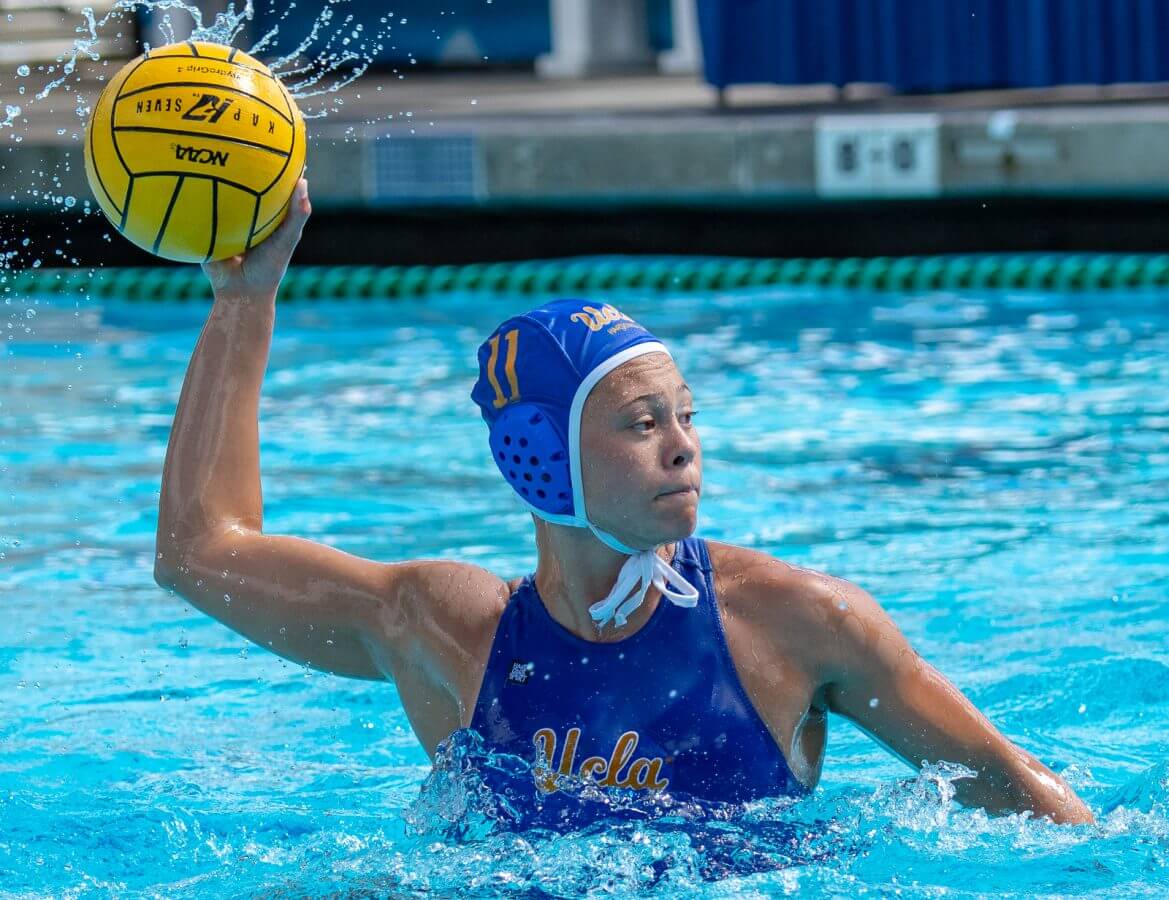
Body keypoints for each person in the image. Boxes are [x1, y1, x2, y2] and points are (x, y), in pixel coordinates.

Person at [154, 179, 1094, 826]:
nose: (684, 444)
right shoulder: (444, 631)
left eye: (686, 415)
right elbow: (199, 551)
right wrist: (244, 304)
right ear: (538, 454)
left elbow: (1021, 798)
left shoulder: (797, 622)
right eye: (643, 422)